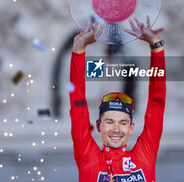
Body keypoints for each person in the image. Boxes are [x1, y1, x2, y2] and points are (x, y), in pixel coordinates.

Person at [69, 16, 166, 182]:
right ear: (98, 125)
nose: (116, 129)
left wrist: (156, 47)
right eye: (109, 122)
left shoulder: (144, 157)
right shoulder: (89, 159)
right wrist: (78, 49)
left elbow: (157, 102)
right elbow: (77, 103)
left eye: (122, 123)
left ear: (131, 127)